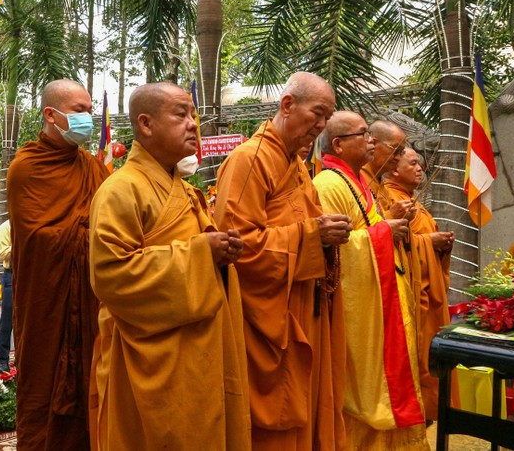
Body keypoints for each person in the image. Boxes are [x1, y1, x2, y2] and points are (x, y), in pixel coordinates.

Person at [89, 82, 251, 450]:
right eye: (181, 114)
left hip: (198, 352)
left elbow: (196, 251)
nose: (193, 123)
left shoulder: (187, 190)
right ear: (146, 124)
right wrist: (201, 253)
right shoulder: (120, 190)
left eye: (193, 115)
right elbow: (111, 275)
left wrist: (220, 253)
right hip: (147, 359)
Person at [214, 71, 349, 450]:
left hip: (304, 308)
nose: (321, 126)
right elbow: (235, 246)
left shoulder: (296, 165)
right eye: (318, 114)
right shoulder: (249, 160)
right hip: (269, 321)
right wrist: (312, 235)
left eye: (328, 118)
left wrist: (325, 235)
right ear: (287, 105)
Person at [6, 79, 110, 450]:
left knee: (94, 387)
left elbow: (115, 219)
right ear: (51, 115)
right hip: (46, 302)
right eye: (79, 111)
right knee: (45, 387)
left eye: (89, 110)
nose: (88, 118)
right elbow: (39, 239)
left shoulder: (91, 166)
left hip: (91, 300)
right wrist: (91, 234)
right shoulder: (26, 168)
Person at [313, 112, 427, 450]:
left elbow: (366, 231)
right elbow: (334, 253)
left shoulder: (357, 182)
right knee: (365, 394)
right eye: (363, 134)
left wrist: (388, 227)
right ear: (338, 145)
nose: (371, 141)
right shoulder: (328, 184)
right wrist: (384, 232)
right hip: (360, 314)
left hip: (384, 301)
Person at [385, 147, 455, 421]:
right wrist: (429, 242)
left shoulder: (412, 201)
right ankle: (416, 414)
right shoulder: (389, 198)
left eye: (420, 164)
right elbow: (391, 244)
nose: (420, 169)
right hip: (412, 296)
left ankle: (428, 414)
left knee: (429, 357)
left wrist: (440, 246)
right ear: (394, 168)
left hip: (428, 290)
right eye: (413, 163)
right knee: (418, 358)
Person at [0, 218, 15, 379]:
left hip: (31, 274)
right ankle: (2, 359)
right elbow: (2, 253)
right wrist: (22, 242)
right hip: (11, 275)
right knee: (7, 319)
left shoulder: (32, 225)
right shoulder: (5, 227)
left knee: (29, 320)